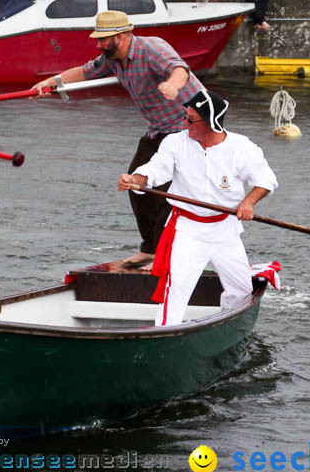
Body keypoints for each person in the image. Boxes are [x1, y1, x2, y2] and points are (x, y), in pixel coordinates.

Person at [33, 10, 204, 265]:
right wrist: (49, 83)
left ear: (123, 36)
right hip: (159, 129)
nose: (99, 44)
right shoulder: (111, 58)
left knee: (169, 193)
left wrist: (173, 86)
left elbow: (180, 70)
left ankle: (164, 256)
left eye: (103, 39)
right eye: (98, 40)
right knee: (135, 184)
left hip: (189, 128)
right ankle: (150, 249)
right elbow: (85, 71)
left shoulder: (152, 49)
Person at [118, 89, 277, 326]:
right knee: (177, 289)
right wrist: (136, 180)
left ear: (212, 123)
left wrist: (248, 202)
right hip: (188, 229)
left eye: (191, 120)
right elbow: (155, 170)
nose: (184, 123)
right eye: (184, 117)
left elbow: (265, 180)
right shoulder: (175, 142)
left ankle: (227, 326)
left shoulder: (241, 147)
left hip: (225, 230)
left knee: (242, 290)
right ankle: (165, 333)